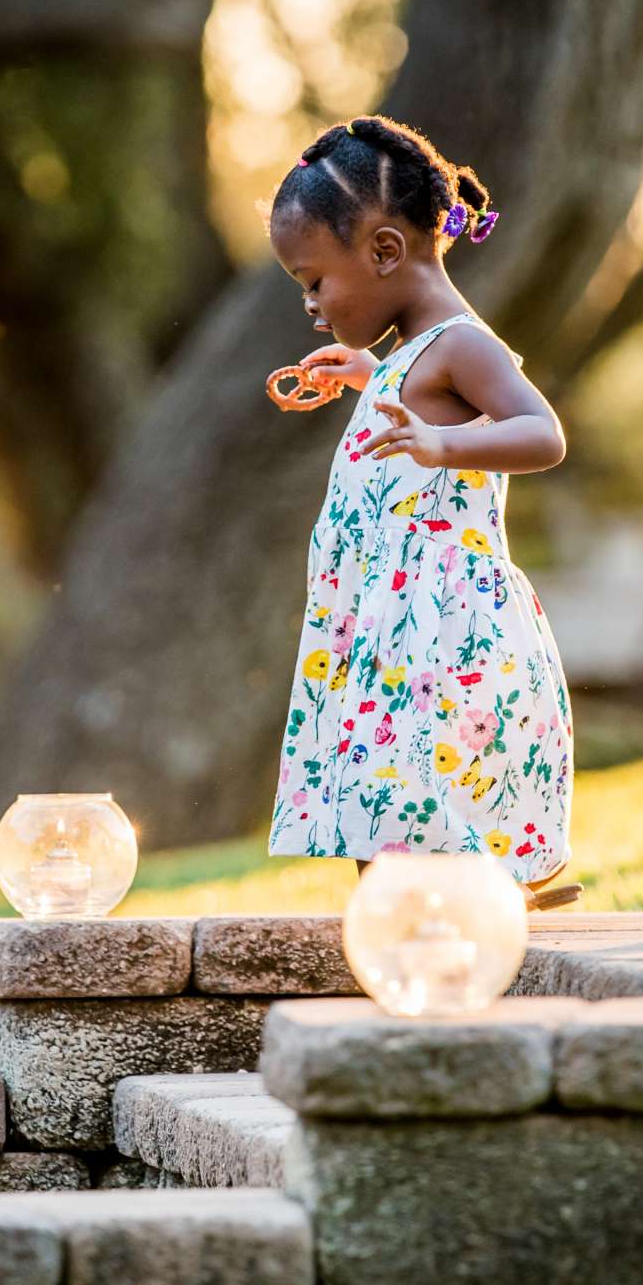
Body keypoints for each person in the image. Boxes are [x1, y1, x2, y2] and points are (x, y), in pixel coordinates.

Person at [265, 115, 579, 910]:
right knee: (380, 785)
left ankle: (453, 910)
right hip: (390, 617)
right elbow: (419, 405)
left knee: (398, 781)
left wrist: (442, 448)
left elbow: (543, 432)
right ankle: (461, 905)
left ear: (383, 251)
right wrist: (369, 379)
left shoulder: (461, 344)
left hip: (439, 619)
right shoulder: (415, 356)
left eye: (313, 280)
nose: (310, 304)